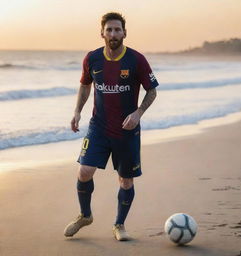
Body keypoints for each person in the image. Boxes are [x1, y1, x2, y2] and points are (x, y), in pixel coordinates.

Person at [64, 12, 159, 241]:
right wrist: (77, 111)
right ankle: (85, 215)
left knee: (126, 180)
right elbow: (85, 85)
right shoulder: (92, 59)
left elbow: (152, 90)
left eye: (117, 30)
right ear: (102, 33)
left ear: (124, 33)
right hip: (98, 127)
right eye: (109, 30)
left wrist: (138, 113)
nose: (113, 34)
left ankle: (119, 224)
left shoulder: (136, 60)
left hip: (126, 131)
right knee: (84, 171)